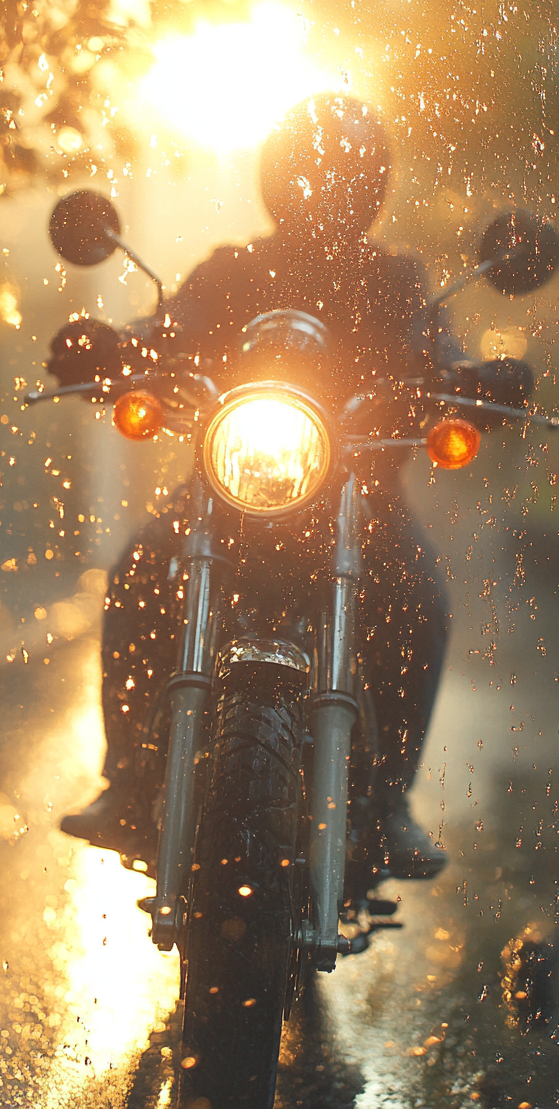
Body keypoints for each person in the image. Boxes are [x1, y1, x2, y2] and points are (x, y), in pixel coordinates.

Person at [56, 93, 532, 882]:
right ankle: (129, 782)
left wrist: (476, 377)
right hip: (227, 488)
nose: (325, 184)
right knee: (138, 575)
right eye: (310, 168)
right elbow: (164, 333)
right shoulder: (230, 269)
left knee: (419, 599)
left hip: (360, 500)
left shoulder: (397, 278)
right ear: (277, 176)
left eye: (343, 170)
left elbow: (437, 346)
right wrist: (109, 345)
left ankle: (385, 801)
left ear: (371, 181)